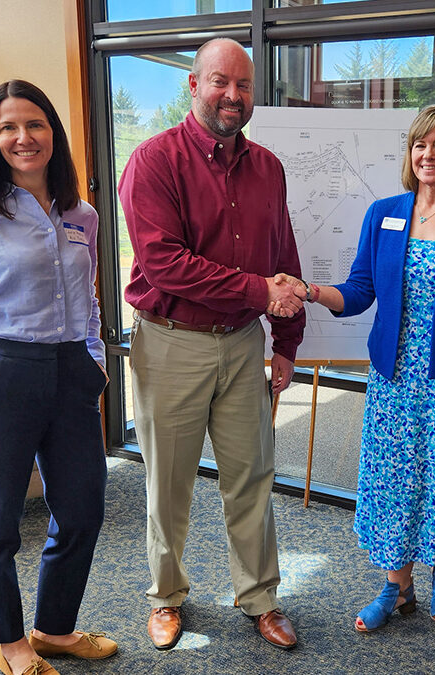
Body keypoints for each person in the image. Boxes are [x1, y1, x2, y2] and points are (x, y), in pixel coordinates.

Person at [273, 103, 435, 632]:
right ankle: (397, 585)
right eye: (420, 144)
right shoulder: (384, 212)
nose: (429, 154)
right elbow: (360, 291)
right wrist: (310, 290)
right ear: (410, 153)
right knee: (396, 480)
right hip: (395, 376)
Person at [117, 38, 305, 651]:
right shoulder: (152, 161)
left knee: (252, 476)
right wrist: (259, 292)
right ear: (192, 86)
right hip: (172, 343)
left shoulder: (269, 167)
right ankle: (167, 596)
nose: (233, 95)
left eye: (244, 85)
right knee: (168, 483)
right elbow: (166, 264)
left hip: (246, 344)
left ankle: (260, 598)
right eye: (220, 82)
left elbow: (285, 258)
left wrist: (286, 342)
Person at [0, 80, 116, 675]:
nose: (23, 137)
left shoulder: (79, 212)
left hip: (69, 373)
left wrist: (95, 364)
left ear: (53, 133)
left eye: (34, 124)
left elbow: (87, 301)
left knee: (82, 510)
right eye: (8, 127)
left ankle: (54, 629)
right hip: (1, 373)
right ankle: (10, 644)